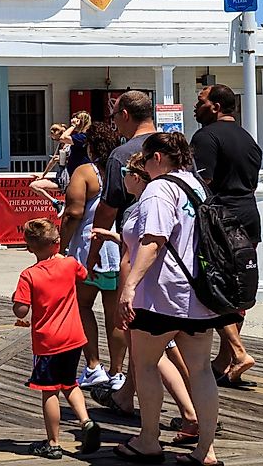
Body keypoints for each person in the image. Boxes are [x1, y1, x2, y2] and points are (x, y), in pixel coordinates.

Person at [107, 131, 232, 466]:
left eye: (147, 160)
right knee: (202, 370)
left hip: (161, 296)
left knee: (146, 364)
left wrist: (129, 287)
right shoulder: (196, 185)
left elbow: (153, 241)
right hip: (200, 297)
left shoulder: (160, 189)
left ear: (157, 158)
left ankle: (149, 440)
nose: (146, 167)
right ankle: (206, 449)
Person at [88, 89, 156, 412]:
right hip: (176, 253)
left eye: (115, 116)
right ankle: (125, 395)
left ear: (125, 115)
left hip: (136, 251)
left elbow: (106, 212)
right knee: (171, 338)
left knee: (145, 337)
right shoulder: (177, 149)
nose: (114, 123)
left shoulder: (121, 155)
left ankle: (187, 413)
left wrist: (91, 254)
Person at [12, 218, 102, 460]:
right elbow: (84, 275)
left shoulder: (28, 275)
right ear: (56, 243)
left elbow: (21, 311)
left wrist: (16, 300)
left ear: (29, 247)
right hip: (74, 338)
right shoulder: (70, 264)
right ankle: (86, 422)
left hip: (47, 343)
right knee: (69, 382)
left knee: (49, 391)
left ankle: (53, 442)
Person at [191, 84, 261, 387]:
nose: (196, 106)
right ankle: (223, 361)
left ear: (216, 107)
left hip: (221, 220)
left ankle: (236, 352)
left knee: (214, 286)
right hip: (249, 214)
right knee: (237, 287)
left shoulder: (206, 137)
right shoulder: (248, 138)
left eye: (201, 101)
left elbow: (201, 182)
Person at [58, 122, 125, 389]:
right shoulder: (120, 171)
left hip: (89, 248)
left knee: (83, 306)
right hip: (117, 248)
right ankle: (118, 372)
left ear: (91, 146)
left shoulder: (86, 172)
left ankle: (94, 366)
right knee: (115, 315)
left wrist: (60, 247)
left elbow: (74, 213)